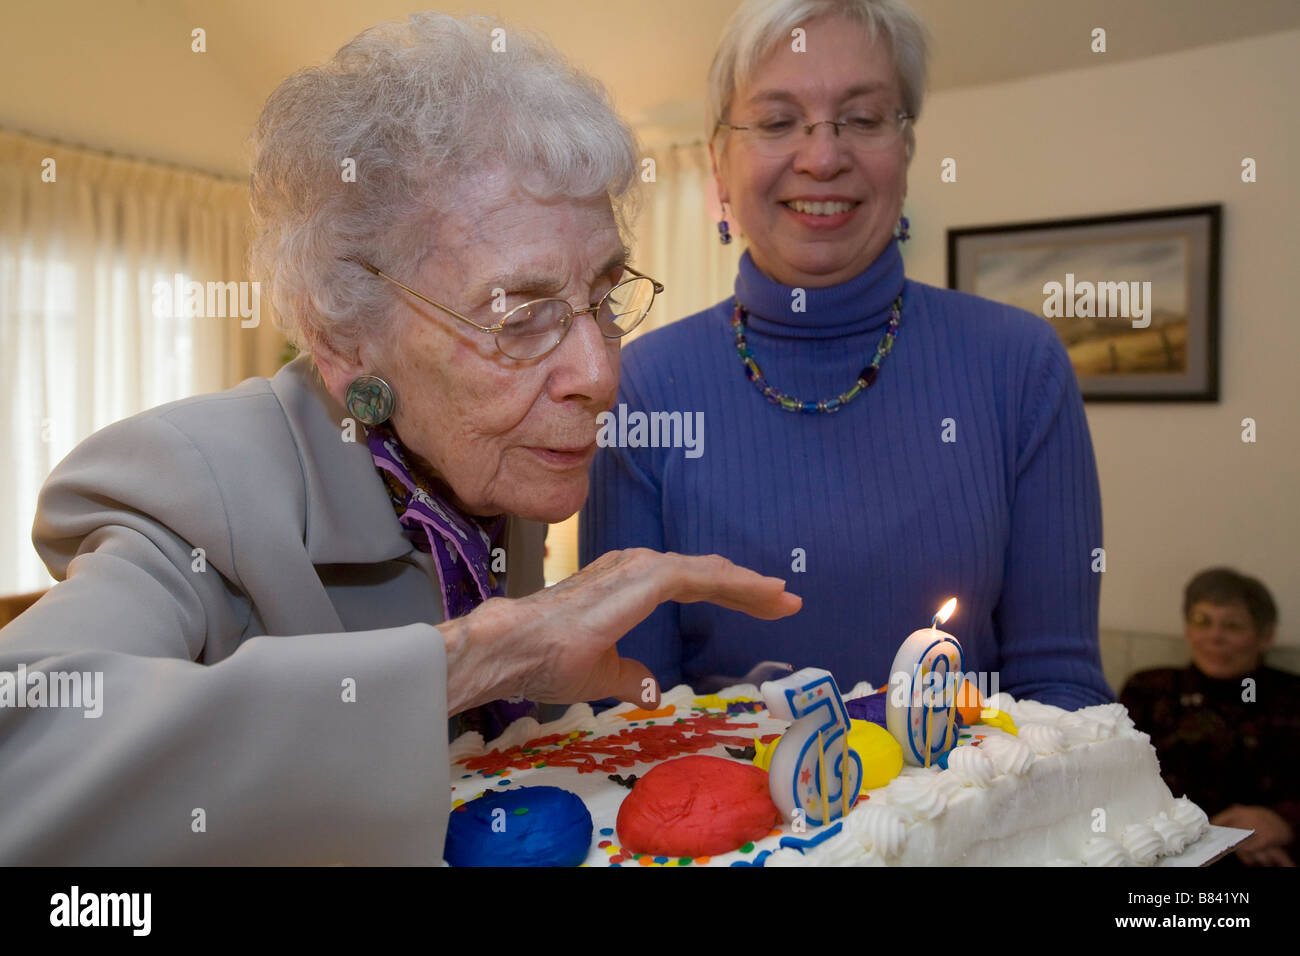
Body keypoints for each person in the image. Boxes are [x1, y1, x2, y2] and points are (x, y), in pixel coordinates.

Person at [0, 13, 799, 865]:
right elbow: (20, 766)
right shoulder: (193, 489)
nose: (599, 375)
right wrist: (493, 653)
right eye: (519, 316)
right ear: (346, 337)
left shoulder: (476, 472)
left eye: (602, 297)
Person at [581, 0, 1111, 707]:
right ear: (718, 164)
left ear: (908, 149)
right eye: (776, 122)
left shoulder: (1021, 366)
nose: (823, 157)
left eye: (862, 119)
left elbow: (1060, 690)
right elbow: (629, 711)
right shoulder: (641, 386)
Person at [1122, 569, 1299, 866]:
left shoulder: (1292, 698)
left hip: (1265, 855)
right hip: (1160, 850)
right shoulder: (1149, 690)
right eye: (1202, 621)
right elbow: (1116, 779)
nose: (1214, 637)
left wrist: (1282, 822)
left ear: (1265, 636)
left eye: (1232, 625)